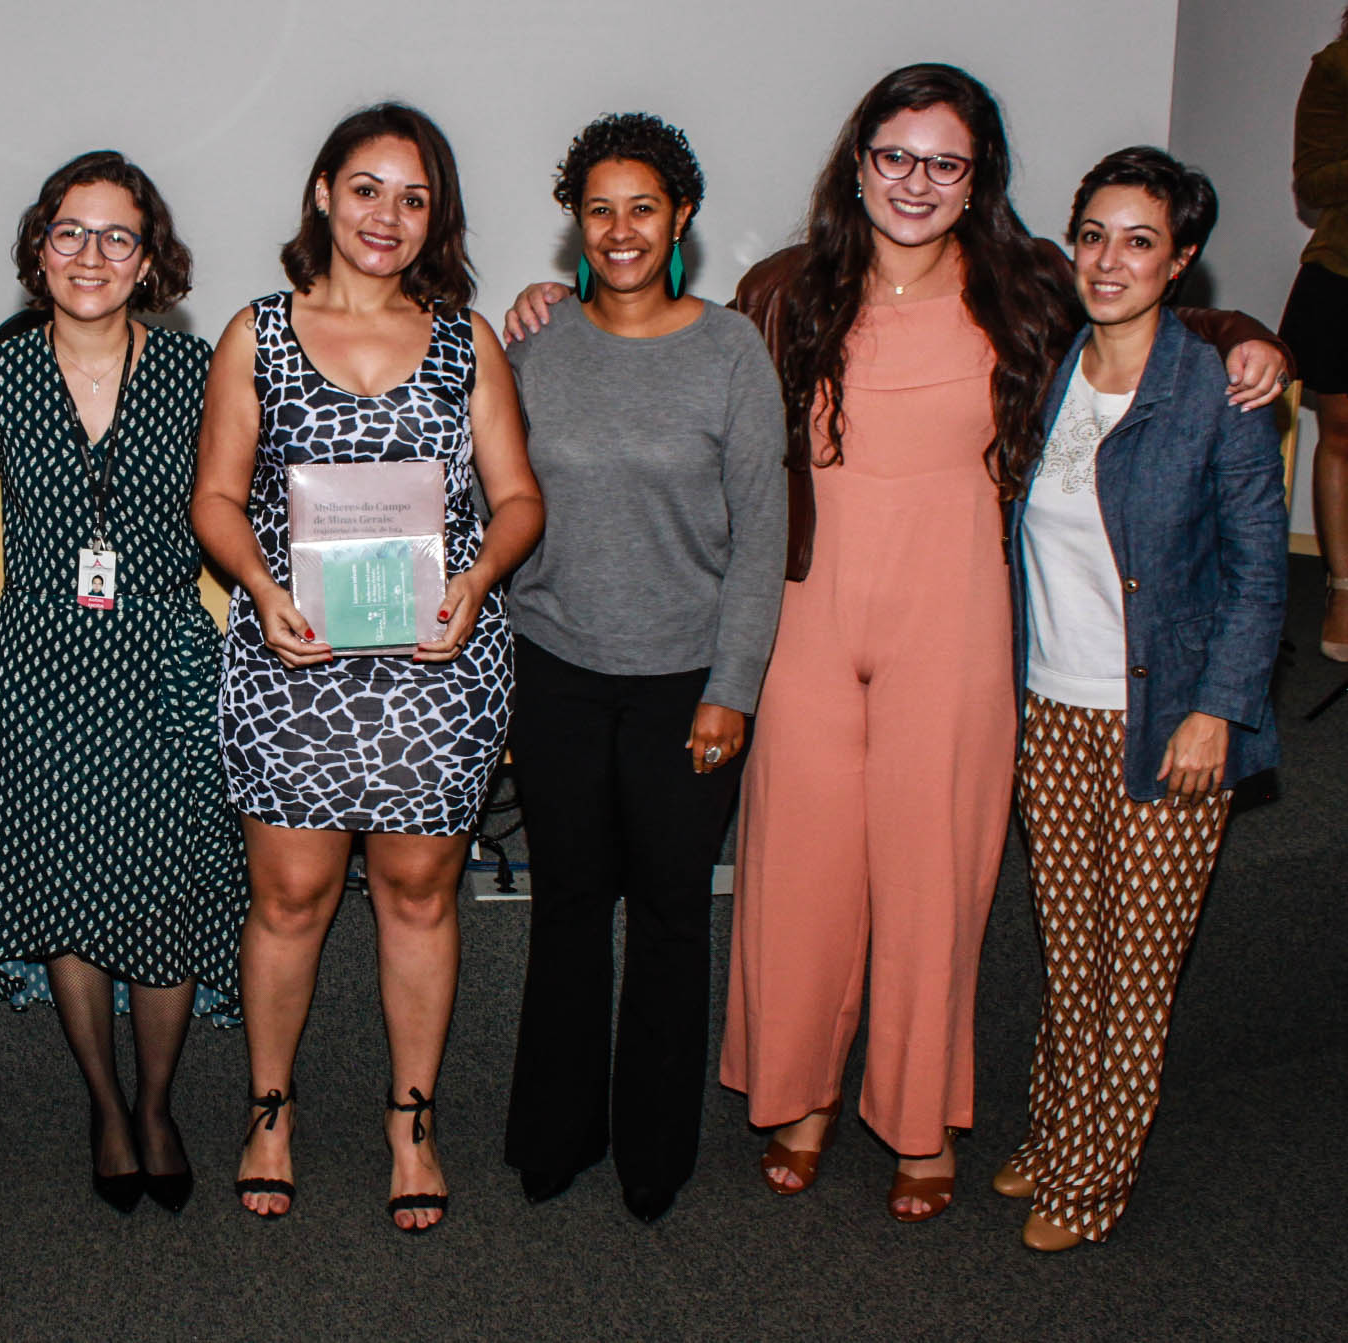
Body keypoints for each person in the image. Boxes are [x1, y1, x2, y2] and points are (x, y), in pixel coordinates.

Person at [506, 62, 1286, 1222]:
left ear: (977, 180)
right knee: (799, 874)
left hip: (956, 625)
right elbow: (648, 333)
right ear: (856, 163)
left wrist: (1250, 338)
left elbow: (1148, 313)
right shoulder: (785, 289)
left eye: (944, 161)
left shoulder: (1027, 287)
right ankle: (801, 1095)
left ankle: (916, 1118)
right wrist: (543, 300)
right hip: (807, 622)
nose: (914, 181)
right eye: (893, 156)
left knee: (933, 882)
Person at [192, 102, 543, 1231]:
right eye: (365, 188)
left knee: (416, 893)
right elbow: (214, 498)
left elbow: (518, 499)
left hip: (434, 666)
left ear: (433, 216)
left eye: (413, 196)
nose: (384, 215)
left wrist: (476, 581)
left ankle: (411, 1122)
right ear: (321, 193)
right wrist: (260, 587)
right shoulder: (259, 332)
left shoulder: (464, 338)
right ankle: (267, 1112)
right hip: (294, 655)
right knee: (288, 899)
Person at [0, 151, 247, 1217]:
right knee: (69, 896)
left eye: (117, 235)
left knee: (159, 901)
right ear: (38, 247)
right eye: (70, 231)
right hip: (38, 663)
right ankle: (103, 1107)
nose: (91, 254)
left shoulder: (196, 370)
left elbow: (261, 483)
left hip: (162, 659)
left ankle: (155, 1103)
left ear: (149, 257)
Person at [498, 115, 786, 1225]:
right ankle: (554, 1131)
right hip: (557, 664)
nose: (620, 231)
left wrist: (733, 687)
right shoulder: (534, 345)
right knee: (569, 904)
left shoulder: (728, 353)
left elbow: (761, 535)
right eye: (599, 208)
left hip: (684, 683)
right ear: (577, 218)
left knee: (669, 912)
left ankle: (654, 1149)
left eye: (643, 209)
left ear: (680, 221)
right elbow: (490, 494)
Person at [1000, 148, 1286, 1251]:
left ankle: (1094, 1179)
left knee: (1137, 969)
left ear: (1179, 261)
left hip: (1169, 721)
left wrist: (1218, 706)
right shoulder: (1048, 365)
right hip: (1047, 709)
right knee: (1068, 947)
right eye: (1092, 235)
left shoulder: (1216, 389)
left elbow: (1261, 570)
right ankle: (1054, 1130)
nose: (1108, 260)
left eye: (1136, 240)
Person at [1280, 2, 1348, 658]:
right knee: (1342, 437)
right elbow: (1314, 180)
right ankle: (1343, 589)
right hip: (1343, 273)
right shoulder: (1335, 69)